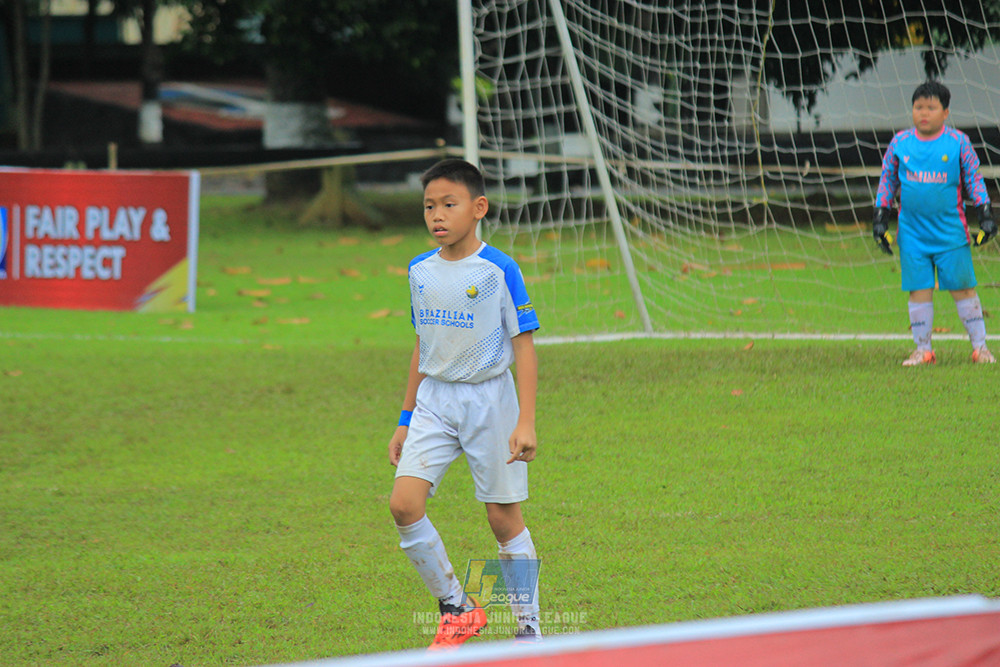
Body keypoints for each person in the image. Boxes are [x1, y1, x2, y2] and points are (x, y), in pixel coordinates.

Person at [387, 158, 542, 650]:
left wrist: (527, 422)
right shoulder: (419, 270)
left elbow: (524, 346)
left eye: (448, 205)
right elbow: (421, 344)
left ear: (478, 208)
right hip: (435, 400)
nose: (437, 215)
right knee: (404, 505)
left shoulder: (499, 269)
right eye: (429, 206)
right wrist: (405, 418)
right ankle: (456, 607)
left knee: (502, 516)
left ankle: (528, 630)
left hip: (489, 401)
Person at [873, 80, 997, 365]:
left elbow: (974, 180)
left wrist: (986, 214)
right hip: (912, 234)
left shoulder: (957, 143)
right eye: (918, 107)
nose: (923, 113)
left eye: (931, 107)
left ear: (945, 112)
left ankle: (981, 347)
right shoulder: (900, 143)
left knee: (963, 288)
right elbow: (887, 181)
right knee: (919, 290)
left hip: (950, 233)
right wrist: (880, 218)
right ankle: (923, 349)